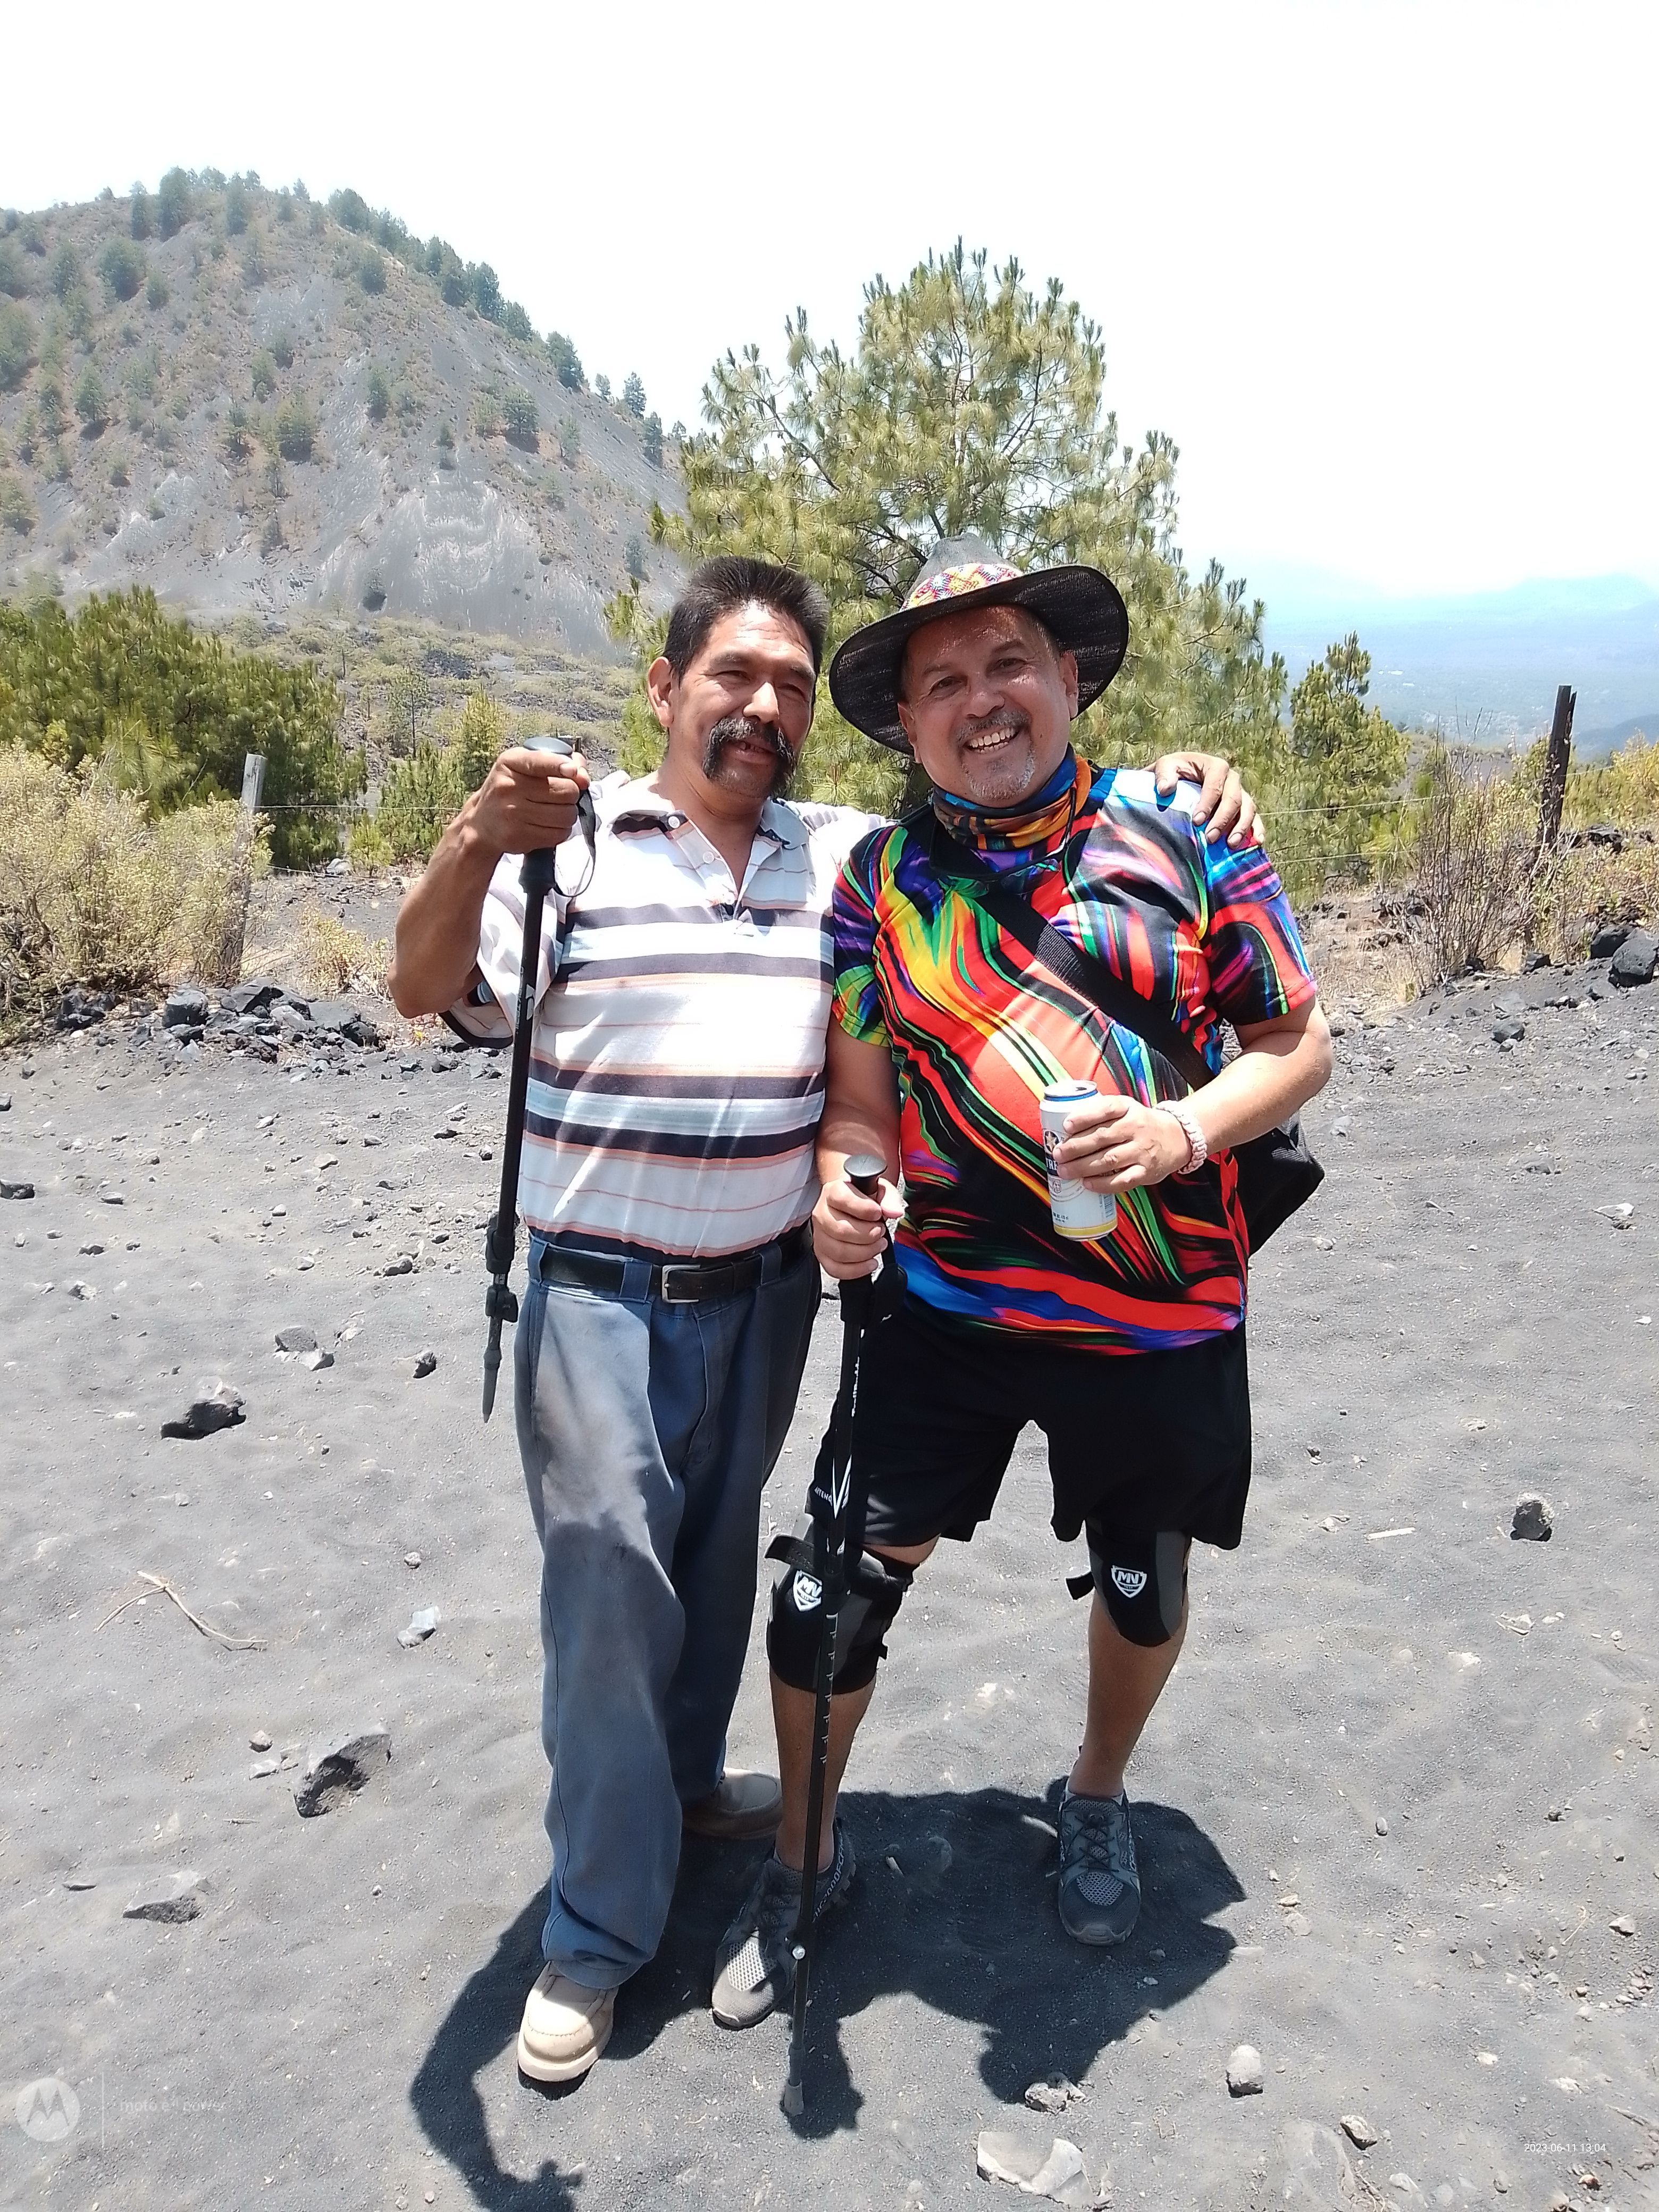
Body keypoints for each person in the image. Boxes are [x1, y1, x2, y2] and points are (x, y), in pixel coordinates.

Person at [389, 552, 1261, 2083]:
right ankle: (639, 1916)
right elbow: (425, 988)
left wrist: (1194, 785)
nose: (763, 707)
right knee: (658, 1589)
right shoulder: (620, 852)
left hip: (857, 1298)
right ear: (664, 691)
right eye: (733, 676)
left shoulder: (861, 855)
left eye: (790, 687)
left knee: (745, 1579)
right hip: (671, 1290)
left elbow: (1247, 1006)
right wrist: (476, 834)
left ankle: (833, 1800)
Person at [711, 538, 1331, 2031]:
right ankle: (801, 1859)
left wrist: (1182, 1130)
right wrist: (843, 1188)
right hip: (947, 1314)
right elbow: (861, 1104)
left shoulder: (1184, 835)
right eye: (943, 683)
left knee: (1144, 1577)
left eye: (1008, 666)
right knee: (823, 1600)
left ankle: (1098, 1794)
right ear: (909, 725)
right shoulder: (882, 885)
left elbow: (1295, 1044)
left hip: (1159, 1314)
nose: (981, 700)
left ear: (1069, 682)